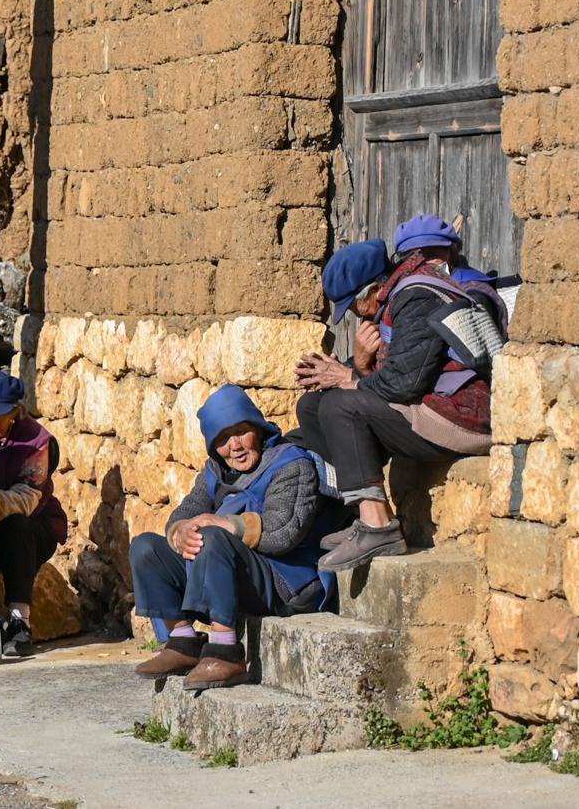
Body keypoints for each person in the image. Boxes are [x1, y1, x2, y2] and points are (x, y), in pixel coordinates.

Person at [293, 230, 501, 573]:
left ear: (374, 290)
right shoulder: (394, 301)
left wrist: (349, 378)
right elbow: (393, 372)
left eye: (357, 308)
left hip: (461, 417)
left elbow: (403, 384)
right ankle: (369, 513)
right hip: (426, 407)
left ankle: (378, 527)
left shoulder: (416, 297)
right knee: (313, 408)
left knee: (339, 405)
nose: (361, 317)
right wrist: (355, 368)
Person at [130, 385, 330, 690]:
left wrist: (226, 525)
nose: (234, 446)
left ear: (258, 430)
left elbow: (282, 532)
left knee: (211, 536)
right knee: (146, 547)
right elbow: (183, 515)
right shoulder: (215, 473)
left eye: (241, 433)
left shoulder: (291, 464)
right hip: (226, 571)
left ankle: (225, 650)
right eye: (222, 440)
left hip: (281, 581)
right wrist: (179, 531)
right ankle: (182, 641)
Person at [0, 370, 66, 659]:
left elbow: (27, 497)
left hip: (30, 528)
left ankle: (19, 621)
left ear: (15, 412)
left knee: (17, 525)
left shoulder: (35, 441)